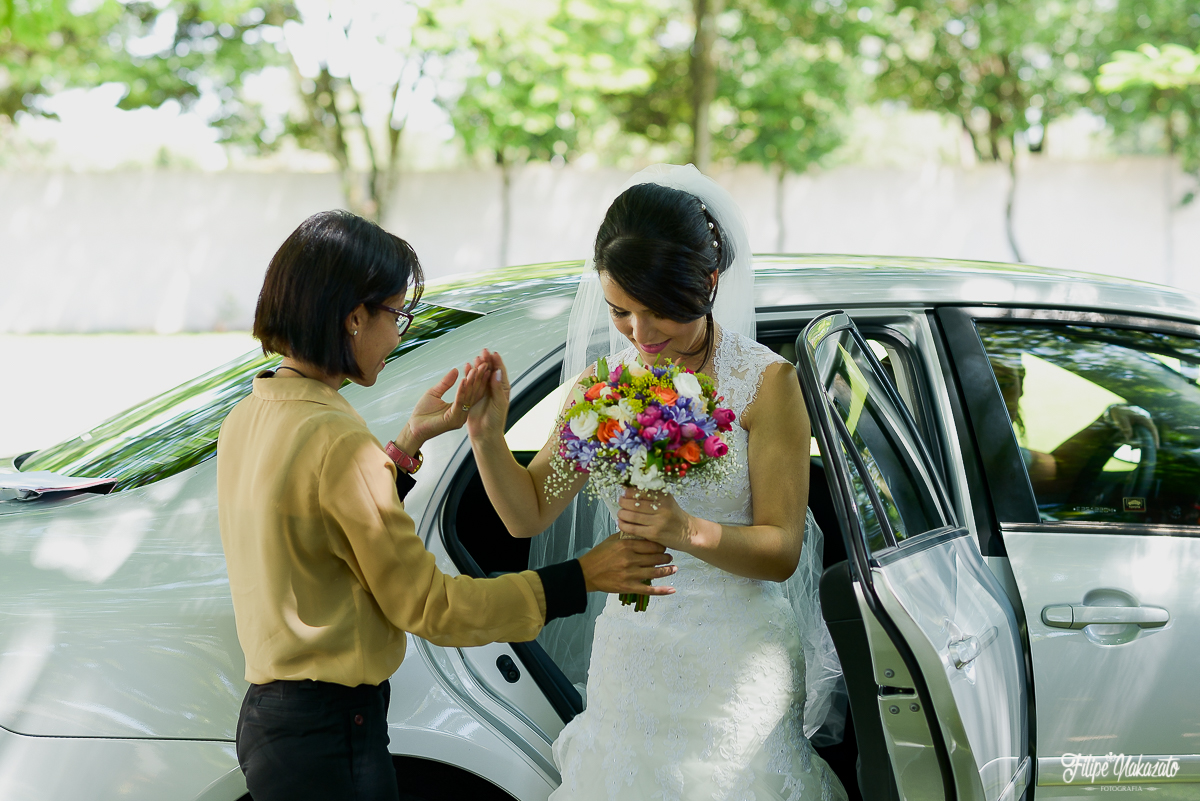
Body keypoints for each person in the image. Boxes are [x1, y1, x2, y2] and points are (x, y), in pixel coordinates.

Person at [216, 209, 678, 801]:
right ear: (355, 318)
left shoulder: (251, 415)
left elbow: (316, 527)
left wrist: (407, 445)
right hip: (332, 738)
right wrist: (580, 577)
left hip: (272, 725)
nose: (399, 334)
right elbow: (430, 606)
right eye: (397, 314)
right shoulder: (335, 437)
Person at [467, 166, 847, 800]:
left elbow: (782, 552)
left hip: (736, 658)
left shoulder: (766, 384)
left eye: (659, 311)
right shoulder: (605, 388)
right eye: (620, 312)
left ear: (709, 283)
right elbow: (528, 511)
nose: (640, 336)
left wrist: (684, 529)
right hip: (633, 654)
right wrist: (486, 436)